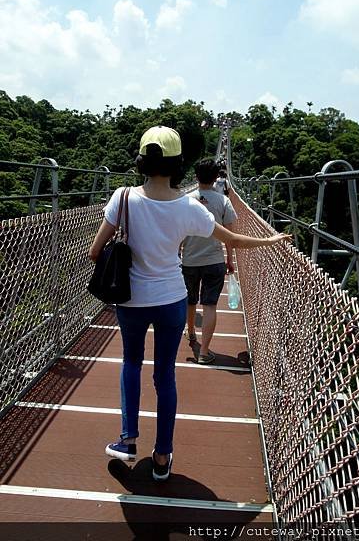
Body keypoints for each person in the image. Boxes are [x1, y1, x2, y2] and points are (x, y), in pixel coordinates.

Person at [88, 125, 291, 482]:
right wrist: (271, 240)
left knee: (131, 363)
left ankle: (128, 440)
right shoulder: (189, 207)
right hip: (171, 300)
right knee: (164, 374)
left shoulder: (122, 198)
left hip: (131, 300)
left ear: (141, 160)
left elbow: (94, 252)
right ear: (180, 165)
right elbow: (234, 240)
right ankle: (163, 456)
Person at [181, 159, 237, 364]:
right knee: (210, 305)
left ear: (196, 176)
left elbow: (178, 233)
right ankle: (204, 352)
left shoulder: (184, 200)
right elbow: (230, 235)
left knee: (190, 299)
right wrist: (229, 260)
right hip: (214, 260)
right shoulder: (223, 201)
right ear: (217, 178)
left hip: (189, 261)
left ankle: (191, 334)